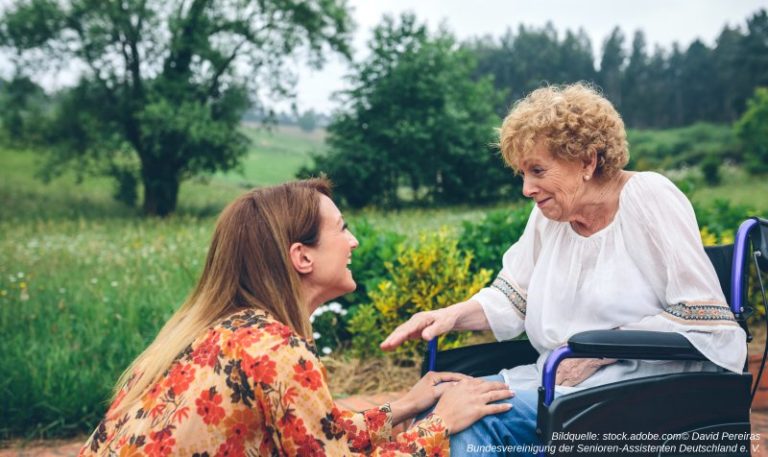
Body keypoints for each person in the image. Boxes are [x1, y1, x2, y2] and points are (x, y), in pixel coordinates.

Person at [380, 83, 747, 455]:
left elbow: (706, 319)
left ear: (587, 161)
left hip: (638, 387)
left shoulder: (648, 196)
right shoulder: (550, 216)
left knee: (472, 425)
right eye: (522, 173)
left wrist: (597, 354)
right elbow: (513, 299)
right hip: (560, 380)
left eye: (538, 170)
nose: (527, 188)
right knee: (436, 407)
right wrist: (448, 315)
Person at [79, 179, 514, 457]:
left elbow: (318, 437)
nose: (355, 242)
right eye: (342, 228)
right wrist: (441, 423)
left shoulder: (222, 330)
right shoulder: (277, 351)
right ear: (301, 256)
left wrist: (404, 406)